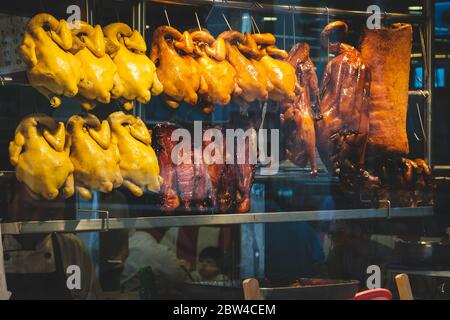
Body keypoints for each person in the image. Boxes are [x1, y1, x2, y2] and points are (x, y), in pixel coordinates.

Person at [3, 180, 102, 300]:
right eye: (29, 208)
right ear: (10, 200)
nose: (37, 219)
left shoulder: (72, 247)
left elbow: (88, 295)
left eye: (50, 211)